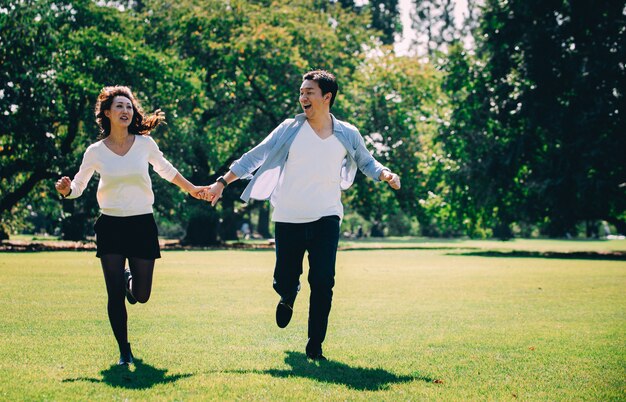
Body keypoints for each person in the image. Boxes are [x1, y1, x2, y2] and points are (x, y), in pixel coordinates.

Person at [201, 70, 401, 360]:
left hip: (327, 217)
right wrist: (222, 182)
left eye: (309, 92)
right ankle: (288, 292)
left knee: (323, 281)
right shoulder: (288, 129)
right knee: (283, 278)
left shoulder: (347, 133)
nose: (302, 97)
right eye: (301, 91)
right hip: (288, 217)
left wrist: (384, 173)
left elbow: (366, 161)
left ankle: (315, 344)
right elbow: (254, 156)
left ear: (326, 97)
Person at [54, 86, 207, 365]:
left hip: (141, 224)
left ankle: (129, 280)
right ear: (108, 113)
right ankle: (124, 351)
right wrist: (66, 190)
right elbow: (78, 185)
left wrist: (192, 189)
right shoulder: (95, 151)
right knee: (114, 295)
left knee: (142, 294)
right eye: (119, 106)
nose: (125, 110)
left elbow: (166, 170)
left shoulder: (145, 144)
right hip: (110, 225)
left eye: (129, 106)